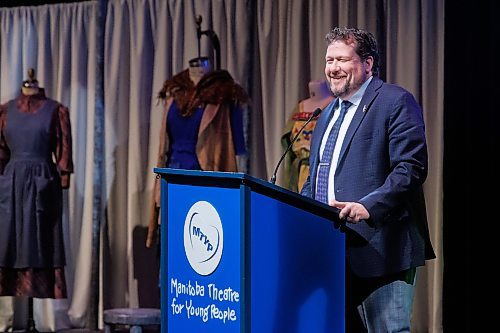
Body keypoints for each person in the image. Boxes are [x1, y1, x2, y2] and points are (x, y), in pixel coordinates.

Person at [300, 27, 435, 332]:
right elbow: (318, 176)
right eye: (329, 60)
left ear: (368, 64)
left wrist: (368, 206)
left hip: (381, 250)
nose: (333, 68)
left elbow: (410, 168)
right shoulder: (325, 115)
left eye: (342, 60)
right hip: (332, 251)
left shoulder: (394, 101)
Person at [146, 57, 249, 248]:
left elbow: (238, 150)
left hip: (207, 184)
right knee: (170, 252)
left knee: (202, 250)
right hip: (172, 182)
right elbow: (164, 146)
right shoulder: (174, 94)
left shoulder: (225, 95)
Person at [0, 70, 73, 330]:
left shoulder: (56, 111)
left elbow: (63, 155)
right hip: (11, 186)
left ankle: (34, 319)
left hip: (43, 186)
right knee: (11, 242)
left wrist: (62, 180)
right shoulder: (4, 111)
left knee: (41, 243)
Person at [281, 79, 334, 192]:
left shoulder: (334, 106)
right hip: (299, 171)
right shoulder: (299, 108)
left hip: (323, 171)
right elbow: (288, 140)